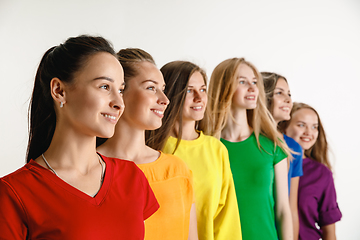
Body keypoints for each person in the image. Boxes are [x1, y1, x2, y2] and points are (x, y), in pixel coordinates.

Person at [0, 35, 159, 239]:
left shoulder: (132, 178)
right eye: (104, 86)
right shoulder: (14, 193)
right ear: (59, 91)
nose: (119, 102)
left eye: (120, 90)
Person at [97, 49, 198, 240]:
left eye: (163, 89)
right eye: (151, 88)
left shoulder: (177, 170)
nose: (165, 100)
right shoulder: (89, 169)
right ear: (120, 92)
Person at [146, 61, 242, 240]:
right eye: (189, 90)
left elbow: (227, 218)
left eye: (203, 89)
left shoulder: (216, 149)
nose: (199, 97)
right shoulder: (151, 149)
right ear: (170, 94)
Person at [201, 58, 293, 240]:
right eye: (242, 82)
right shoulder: (207, 147)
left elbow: (283, 210)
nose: (252, 88)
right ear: (224, 87)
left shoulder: (272, 147)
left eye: (255, 82)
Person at [279, 102, 342, 240]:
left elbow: (329, 231)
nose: (309, 132)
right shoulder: (269, 164)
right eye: (301, 125)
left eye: (314, 127)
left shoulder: (322, 174)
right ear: (283, 127)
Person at [262, 72, 303, 239]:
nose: (288, 100)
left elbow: (290, 208)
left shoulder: (293, 148)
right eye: (279, 93)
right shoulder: (243, 142)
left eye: (289, 94)